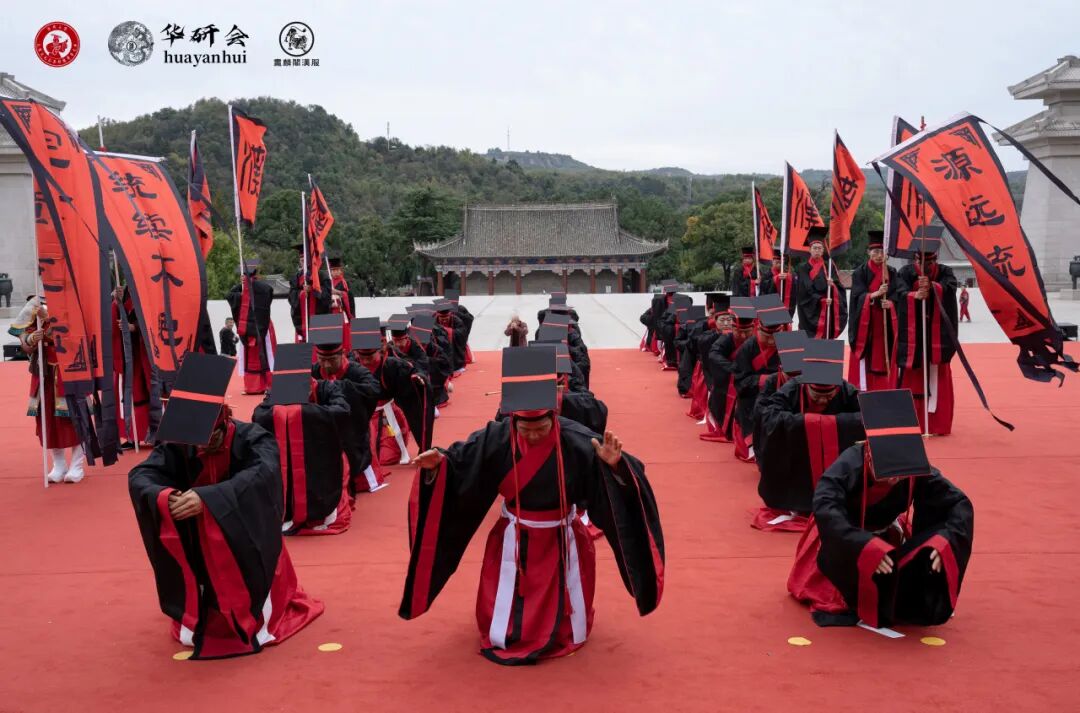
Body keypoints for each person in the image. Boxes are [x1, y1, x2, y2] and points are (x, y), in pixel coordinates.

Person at [400, 347, 664, 665]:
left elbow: (628, 482)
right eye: (526, 429)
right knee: (509, 612)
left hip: (562, 537)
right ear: (512, 420)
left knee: (564, 605)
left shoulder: (578, 440)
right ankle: (508, 631)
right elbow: (460, 462)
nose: (535, 434)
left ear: (554, 415)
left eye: (542, 427)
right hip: (514, 535)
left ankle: (565, 630)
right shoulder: (496, 439)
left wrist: (616, 467)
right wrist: (439, 465)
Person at [128, 354, 324, 659]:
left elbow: (260, 478)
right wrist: (166, 496)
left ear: (225, 420)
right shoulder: (181, 442)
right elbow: (142, 475)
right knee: (192, 634)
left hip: (248, 542)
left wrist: (208, 499)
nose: (201, 448)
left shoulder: (254, 439)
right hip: (202, 547)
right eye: (196, 443)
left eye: (210, 440)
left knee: (251, 626)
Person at [788, 389, 973, 628]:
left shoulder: (914, 465)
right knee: (842, 601)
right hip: (842, 540)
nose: (894, 481)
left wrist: (946, 541)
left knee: (906, 600)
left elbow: (958, 504)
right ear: (869, 456)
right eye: (886, 474)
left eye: (899, 477)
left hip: (887, 536)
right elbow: (827, 509)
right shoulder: (849, 464)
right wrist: (862, 546)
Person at [753, 339, 864, 532]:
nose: (822, 399)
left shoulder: (846, 390)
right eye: (817, 395)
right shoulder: (792, 388)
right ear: (806, 384)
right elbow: (769, 417)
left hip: (834, 452)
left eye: (829, 396)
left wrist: (829, 424)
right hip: (798, 452)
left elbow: (868, 415)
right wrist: (810, 424)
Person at [252, 344, 353, 535]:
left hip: (322, 452)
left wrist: (302, 413)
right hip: (288, 456)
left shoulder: (326, 388)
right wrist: (286, 413)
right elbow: (259, 415)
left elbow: (343, 410)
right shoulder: (277, 393)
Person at [9, 296, 84, 483]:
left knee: (74, 418)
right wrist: (33, 337)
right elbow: (24, 339)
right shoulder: (34, 301)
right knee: (47, 419)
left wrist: (49, 319)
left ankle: (77, 465)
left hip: (70, 367)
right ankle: (59, 465)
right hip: (44, 370)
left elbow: (77, 332)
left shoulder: (71, 298)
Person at [308, 314, 384, 494]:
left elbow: (373, 389)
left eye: (331, 360)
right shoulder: (313, 371)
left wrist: (338, 387)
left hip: (352, 427)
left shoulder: (356, 371)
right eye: (322, 359)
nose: (326, 366)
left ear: (342, 354)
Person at [350, 317, 436, 471]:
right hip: (362, 417)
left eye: (370, 356)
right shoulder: (352, 366)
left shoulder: (392, 364)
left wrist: (418, 378)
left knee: (386, 458)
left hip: (386, 417)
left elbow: (414, 369)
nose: (366, 361)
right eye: (362, 357)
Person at [895, 228, 958, 435]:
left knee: (937, 375)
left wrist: (933, 288)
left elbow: (949, 288)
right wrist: (914, 295)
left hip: (936, 337)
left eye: (930, 262)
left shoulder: (945, 272)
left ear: (936, 258)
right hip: (914, 335)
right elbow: (899, 293)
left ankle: (937, 423)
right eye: (922, 261)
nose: (925, 266)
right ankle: (911, 420)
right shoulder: (905, 273)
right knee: (912, 377)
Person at [730, 294, 790, 462]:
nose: (771, 340)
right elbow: (740, 382)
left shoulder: (789, 345)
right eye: (766, 335)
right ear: (758, 328)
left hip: (782, 395)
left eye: (775, 335)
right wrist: (766, 380)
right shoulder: (747, 349)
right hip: (753, 397)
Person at [847, 232, 899, 391]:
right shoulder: (859, 272)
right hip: (867, 322)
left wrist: (890, 303)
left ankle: (887, 386)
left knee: (886, 355)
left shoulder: (892, 272)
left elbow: (899, 294)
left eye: (882, 251)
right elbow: (857, 296)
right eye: (875, 252)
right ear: (868, 252)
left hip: (886, 320)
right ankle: (865, 387)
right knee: (869, 357)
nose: (878, 255)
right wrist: (873, 295)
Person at [700, 298, 754, 443]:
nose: (742, 336)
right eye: (738, 331)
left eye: (746, 332)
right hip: (731, 379)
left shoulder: (755, 341)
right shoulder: (727, 338)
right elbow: (714, 353)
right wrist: (732, 368)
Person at [226, 259, 276, 395]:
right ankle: (252, 386)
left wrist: (249, 289)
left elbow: (268, 296)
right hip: (246, 329)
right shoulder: (239, 288)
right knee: (249, 357)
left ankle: (268, 384)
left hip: (261, 325)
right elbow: (230, 296)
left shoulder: (262, 288)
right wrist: (242, 294)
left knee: (265, 354)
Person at [112, 285, 151, 449]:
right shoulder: (124, 289)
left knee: (151, 391)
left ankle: (156, 433)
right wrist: (116, 302)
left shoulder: (150, 286)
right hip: (129, 355)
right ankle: (132, 434)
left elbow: (155, 316)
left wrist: (135, 327)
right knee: (130, 392)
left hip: (148, 353)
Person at [796, 227, 847, 339]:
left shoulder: (829, 266)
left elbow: (839, 287)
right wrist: (820, 300)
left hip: (827, 306)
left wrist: (832, 286)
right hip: (811, 306)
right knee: (809, 336)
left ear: (823, 250)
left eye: (820, 248)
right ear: (809, 250)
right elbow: (805, 289)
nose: (817, 251)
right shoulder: (803, 268)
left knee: (825, 334)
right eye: (815, 248)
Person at [287, 244, 329, 343]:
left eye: (304, 257)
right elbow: (291, 296)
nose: (302, 260)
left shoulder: (322, 276)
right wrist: (301, 294)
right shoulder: (296, 278)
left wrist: (313, 290)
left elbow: (327, 296)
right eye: (300, 258)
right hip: (302, 319)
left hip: (319, 318)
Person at [435, 299, 468, 375]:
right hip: (439, 343)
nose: (444, 320)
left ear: (450, 314)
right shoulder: (433, 320)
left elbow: (462, 333)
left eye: (446, 317)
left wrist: (448, 332)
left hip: (454, 346)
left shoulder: (457, 320)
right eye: (441, 318)